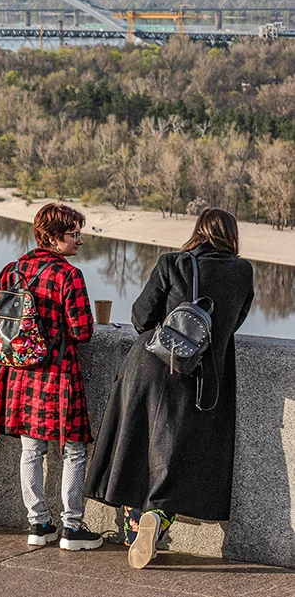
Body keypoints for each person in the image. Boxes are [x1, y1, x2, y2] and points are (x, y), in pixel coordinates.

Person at [85, 208, 254, 569]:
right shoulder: (242, 271)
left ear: (198, 231)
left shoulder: (173, 262)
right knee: (182, 457)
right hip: (203, 381)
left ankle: (138, 530)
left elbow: (141, 317)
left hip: (152, 367)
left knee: (137, 450)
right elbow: (235, 321)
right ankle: (157, 518)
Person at [0, 204, 102, 551]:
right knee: (73, 450)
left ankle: (39, 524)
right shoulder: (69, 277)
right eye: (75, 234)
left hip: (20, 373)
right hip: (58, 374)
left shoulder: (13, 271)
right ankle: (71, 528)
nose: (80, 240)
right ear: (54, 238)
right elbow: (83, 331)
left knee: (32, 450)